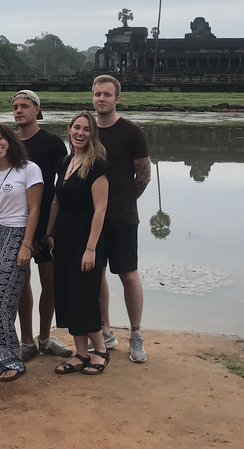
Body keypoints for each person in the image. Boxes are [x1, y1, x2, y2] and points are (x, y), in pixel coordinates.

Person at [92, 75, 151, 362]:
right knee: (97, 272)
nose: (101, 99)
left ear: (117, 99)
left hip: (123, 216)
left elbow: (144, 175)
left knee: (128, 275)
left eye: (107, 94)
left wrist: (125, 200)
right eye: (97, 94)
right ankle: (105, 330)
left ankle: (136, 333)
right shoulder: (86, 131)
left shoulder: (132, 132)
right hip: (92, 218)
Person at [0, 123, 42, 381]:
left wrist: (26, 244)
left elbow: (34, 210)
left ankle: (12, 360)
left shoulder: (29, 169)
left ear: (10, 139)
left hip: (17, 234)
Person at [11, 90, 72, 361]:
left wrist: (57, 225)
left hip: (48, 222)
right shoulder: (9, 144)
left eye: (25, 106)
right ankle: (26, 341)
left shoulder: (53, 143)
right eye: (15, 106)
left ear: (37, 110)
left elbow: (64, 184)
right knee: (22, 284)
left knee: (51, 282)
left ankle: (45, 337)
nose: (19, 110)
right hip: (18, 223)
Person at [50, 111, 110, 375]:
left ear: (92, 134)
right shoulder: (64, 162)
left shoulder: (97, 165)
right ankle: (81, 353)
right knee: (67, 293)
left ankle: (100, 351)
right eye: (77, 128)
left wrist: (90, 248)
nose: (80, 133)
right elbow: (56, 200)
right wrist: (49, 233)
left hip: (87, 238)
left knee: (84, 294)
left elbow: (100, 210)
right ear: (69, 130)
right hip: (64, 237)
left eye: (86, 129)